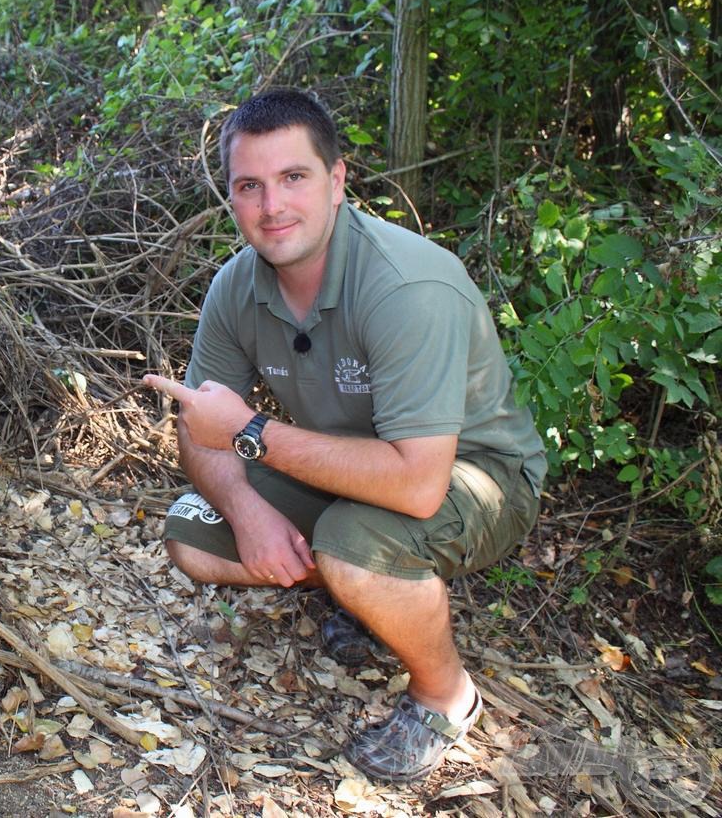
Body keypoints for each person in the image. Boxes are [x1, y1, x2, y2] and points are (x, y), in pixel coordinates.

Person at [143, 88, 545, 783]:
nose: (272, 206)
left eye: (294, 177)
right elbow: (203, 432)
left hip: (476, 478)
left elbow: (419, 486)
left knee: (351, 550)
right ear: (231, 198)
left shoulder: (406, 286)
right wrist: (249, 512)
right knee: (191, 532)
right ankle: (354, 591)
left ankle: (446, 696)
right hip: (345, 469)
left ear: (337, 182)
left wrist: (252, 433)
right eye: (250, 186)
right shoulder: (236, 287)